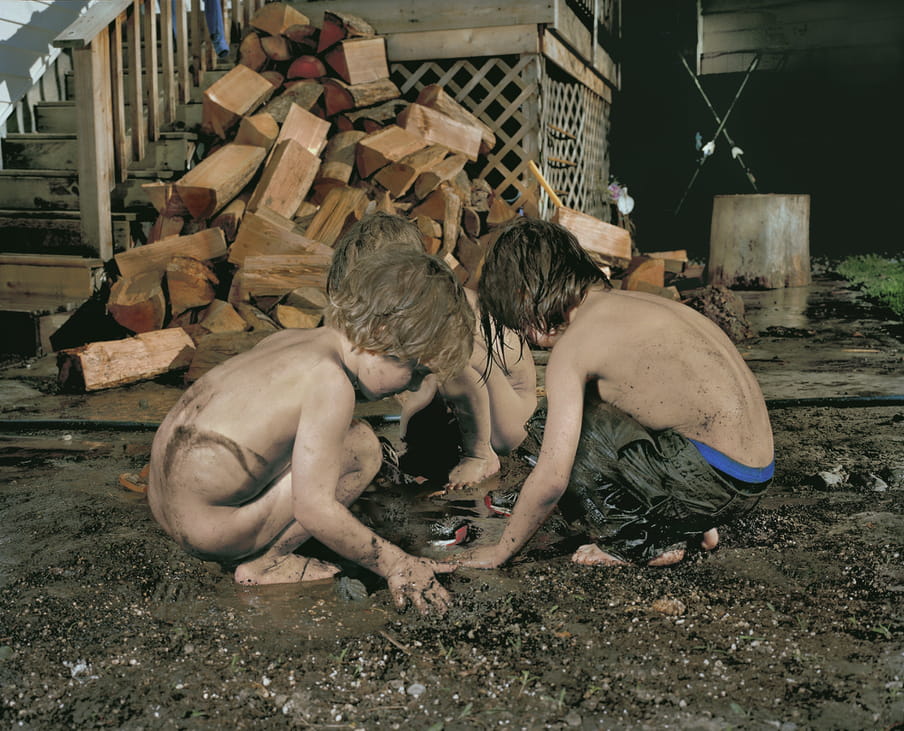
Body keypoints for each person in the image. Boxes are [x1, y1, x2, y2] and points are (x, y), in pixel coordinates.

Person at [146, 249, 474, 614]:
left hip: (166, 506)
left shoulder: (292, 340)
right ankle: (263, 564)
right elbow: (313, 508)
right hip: (209, 530)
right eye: (416, 371)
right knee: (362, 447)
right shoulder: (331, 383)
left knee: (343, 438)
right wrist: (398, 563)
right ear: (380, 336)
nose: (414, 387)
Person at [457, 217, 774, 569]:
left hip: (712, 483)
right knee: (606, 408)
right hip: (750, 478)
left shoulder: (575, 345)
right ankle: (692, 523)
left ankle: (641, 541)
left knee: (551, 427)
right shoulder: (638, 305)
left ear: (524, 296)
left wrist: (501, 552)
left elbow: (552, 477)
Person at [327, 211, 538, 489]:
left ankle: (481, 454)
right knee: (419, 373)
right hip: (476, 397)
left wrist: (477, 453)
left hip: (509, 415)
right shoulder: (409, 302)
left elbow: (467, 381)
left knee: (442, 357)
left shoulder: (432, 305)